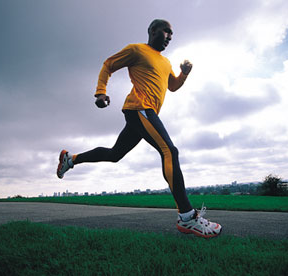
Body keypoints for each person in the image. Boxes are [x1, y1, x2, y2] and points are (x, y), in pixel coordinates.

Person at [57, 19, 222, 238]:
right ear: (153, 31)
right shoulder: (137, 50)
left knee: (115, 154)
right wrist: (100, 92)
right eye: (166, 32)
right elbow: (108, 64)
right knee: (169, 151)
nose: (170, 37)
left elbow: (172, 87)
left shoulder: (165, 62)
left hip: (145, 113)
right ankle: (187, 217)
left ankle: (71, 158)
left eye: (172, 34)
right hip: (139, 109)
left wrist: (184, 74)